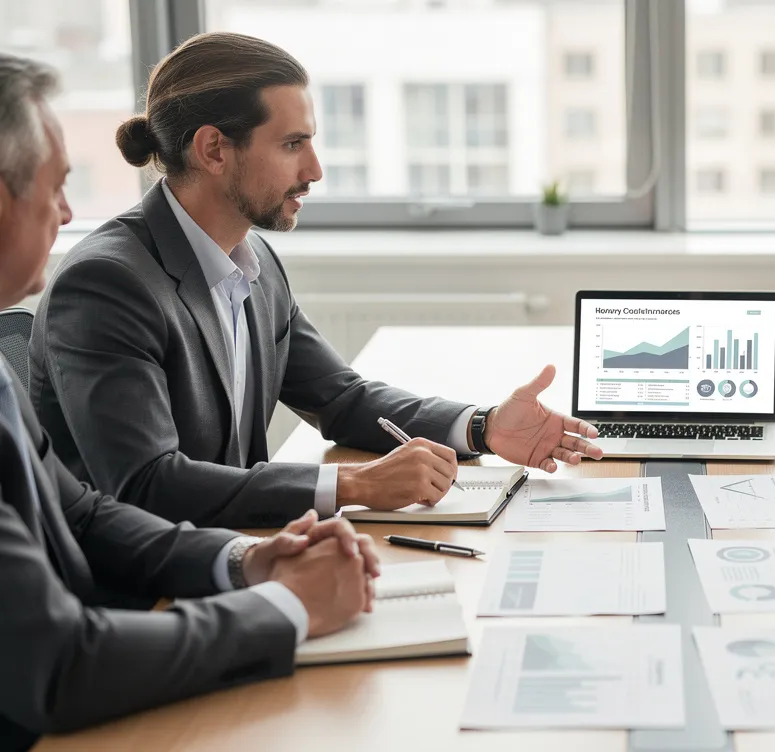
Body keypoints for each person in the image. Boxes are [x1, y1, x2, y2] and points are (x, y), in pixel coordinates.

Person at [27, 32, 602, 529]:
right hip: (145, 595)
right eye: (293, 144)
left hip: (237, 544)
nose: (315, 171)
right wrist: (351, 487)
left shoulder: (252, 263)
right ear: (213, 150)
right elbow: (146, 486)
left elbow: (342, 399)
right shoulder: (107, 284)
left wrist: (482, 426)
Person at [0, 53, 380, 748]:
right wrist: (284, 607)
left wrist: (247, 561)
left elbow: (79, 511)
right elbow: (55, 664)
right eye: (55, 187)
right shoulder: (108, 280)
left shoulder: (256, 263)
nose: (67, 212)